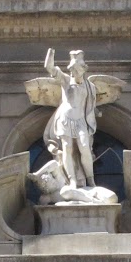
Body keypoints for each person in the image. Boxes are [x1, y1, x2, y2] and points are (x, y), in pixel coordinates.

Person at [43, 48, 99, 191]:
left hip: (80, 122)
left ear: (83, 70)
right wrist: (51, 54)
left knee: (85, 148)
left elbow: (89, 106)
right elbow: (49, 67)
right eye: (72, 69)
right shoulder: (66, 80)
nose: (74, 72)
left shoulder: (90, 86)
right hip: (65, 120)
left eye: (76, 70)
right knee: (67, 148)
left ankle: (90, 180)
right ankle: (73, 181)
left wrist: (96, 113)